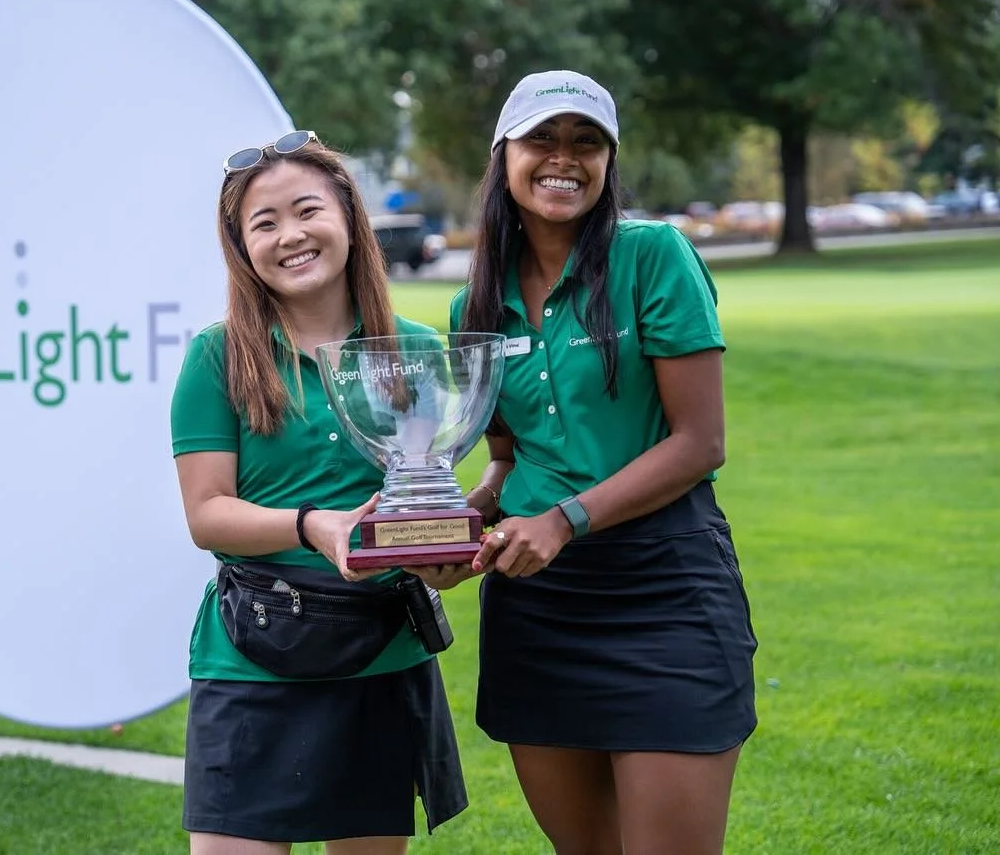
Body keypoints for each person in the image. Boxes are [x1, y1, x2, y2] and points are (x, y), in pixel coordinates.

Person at [417, 70, 758, 854]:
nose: (562, 159)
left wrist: (564, 520)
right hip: (540, 608)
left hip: (665, 587)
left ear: (608, 162)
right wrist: (463, 522)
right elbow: (506, 461)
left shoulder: (653, 255)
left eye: (586, 143)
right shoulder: (473, 302)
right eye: (542, 139)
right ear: (504, 155)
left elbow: (699, 443)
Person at [170, 129, 468, 854]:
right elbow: (208, 515)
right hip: (251, 660)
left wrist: (441, 555)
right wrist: (315, 528)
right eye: (263, 224)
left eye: (307, 211)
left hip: (382, 656)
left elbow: (424, 502)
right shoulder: (218, 355)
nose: (291, 235)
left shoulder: (419, 349)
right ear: (241, 247)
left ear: (348, 221)